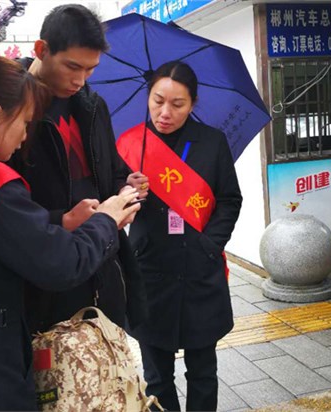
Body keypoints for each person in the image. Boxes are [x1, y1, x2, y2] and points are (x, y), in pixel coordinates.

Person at [0, 55, 141, 411]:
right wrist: (107, 220)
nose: (24, 137)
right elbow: (63, 265)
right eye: (26, 123)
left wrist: (61, 222)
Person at [11, 3, 147, 334]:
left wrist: (125, 189)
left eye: (90, 69)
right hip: (46, 276)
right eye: (72, 66)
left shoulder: (93, 105)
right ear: (41, 49)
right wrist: (62, 219)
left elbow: (110, 170)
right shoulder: (11, 107)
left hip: (103, 265)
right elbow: (3, 204)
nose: (80, 79)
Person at [117, 61, 243, 411]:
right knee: (156, 376)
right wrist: (126, 190)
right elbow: (110, 200)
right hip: (150, 271)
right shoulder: (130, 145)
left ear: (193, 103)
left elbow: (229, 199)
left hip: (199, 269)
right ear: (148, 96)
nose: (165, 112)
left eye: (178, 104)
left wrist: (210, 245)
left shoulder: (212, 142)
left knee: (203, 371)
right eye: (158, 101)